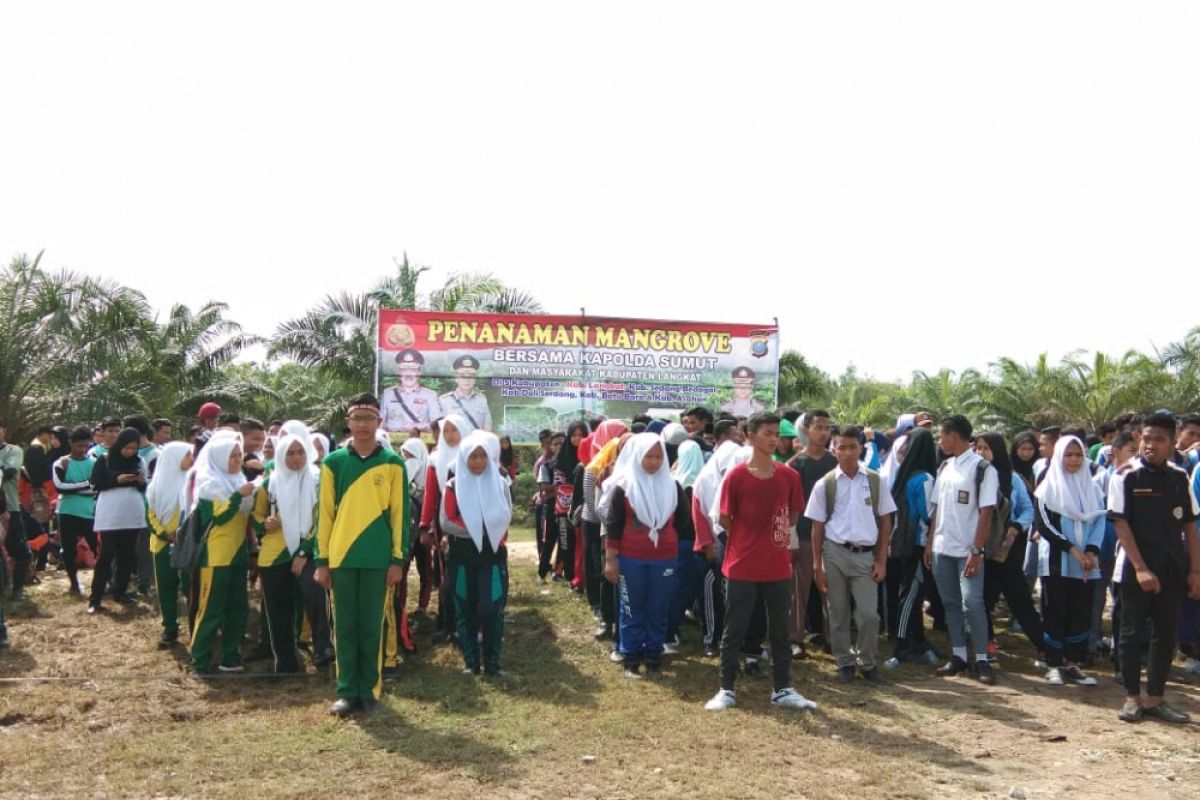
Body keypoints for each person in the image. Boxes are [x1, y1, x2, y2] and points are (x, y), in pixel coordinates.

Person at [704, 412, 814, 712]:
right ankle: (726, 688)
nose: (774, 438)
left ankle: (782, 688)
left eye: (776, 433)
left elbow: (792, 516)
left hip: (777, 566)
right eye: (767, 433)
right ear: (750, 436)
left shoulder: (789, 476)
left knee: (779, 629)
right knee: (734, 628)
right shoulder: (736, 476)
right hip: (742, 565)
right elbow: (724, 518)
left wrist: (780, 545)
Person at [314, 394, 409, 717]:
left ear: (379, 423)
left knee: (371, 627)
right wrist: (321, 560)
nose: (363, 425)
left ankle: (369, 690)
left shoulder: (394, 464)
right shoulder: (333, 463)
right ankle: (346, 691)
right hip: (340, 558)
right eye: (358, 418)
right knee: (344, 627)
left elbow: (399, 515)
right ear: (348, 423)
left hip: (377, 558)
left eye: (370, 418)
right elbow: (324, 515)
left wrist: (397, 560)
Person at [1109, 413, 1200, 723]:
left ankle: (1156, 699)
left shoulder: (1179, 477)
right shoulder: (1125, 476)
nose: (1150, 445)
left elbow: (1189, 526)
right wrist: (1140, 568)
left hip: (1173, 569)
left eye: (1159, 440)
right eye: (1146, 439)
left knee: (1165, 635)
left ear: (1172, 443)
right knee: (1131, 633)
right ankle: (1132, 697)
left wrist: (1195, 571)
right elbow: (1121, 525)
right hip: (1136, 569)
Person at [806, 426, 896, 682]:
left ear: (861, 448)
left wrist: (881, 560)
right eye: (841, 447)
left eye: (852, 447)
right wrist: (817, 566)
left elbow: (886, 522)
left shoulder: (876, 481)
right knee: (838, 612)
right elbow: (817, 527)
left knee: (869, 614)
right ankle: (844, 661)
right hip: (834, 552)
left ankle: (867, 662)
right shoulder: (825, 484)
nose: (847, 453)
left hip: (866, 556)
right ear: (833, 450)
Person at [602, 431, 693, 677]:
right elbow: (613, 526)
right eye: (648, 456)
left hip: (664, 558)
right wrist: (610, 560)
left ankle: (653, 657)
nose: (653, 462)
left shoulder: (673, 487)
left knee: (658, 608)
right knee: (632, 608)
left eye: (658, 456)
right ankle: (631, 658)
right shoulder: (624, 487)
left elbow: (685, 524)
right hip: (631, 559)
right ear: (636, 457)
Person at [924, 414, 999, 685]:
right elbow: (937, 510)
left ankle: (982, 659)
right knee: (951, 604)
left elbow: (986, 511)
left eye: (942, 435)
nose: (940, 441)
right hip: (943, 548)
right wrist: (931, 542)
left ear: (953, 435)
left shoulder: (983, 469)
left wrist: (976, 550)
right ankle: (958, 656)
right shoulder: (945, 467)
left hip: (968, 550)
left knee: (973, 603)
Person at [252, 430, 331, 674]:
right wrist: (264, 524)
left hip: (308, 550)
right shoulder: (270, 483)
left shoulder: (319, 481)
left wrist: (304, 552)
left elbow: (323, 520)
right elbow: (256, 516)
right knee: (278, 610)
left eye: (300, 452)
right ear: (280, 456)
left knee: (316, 599)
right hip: (275, 553)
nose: (296, 458)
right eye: (290, 453)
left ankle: (323, 652)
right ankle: (285, 663)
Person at [1033, 435, 1105, 686]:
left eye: (1078, 455)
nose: (1074, 460)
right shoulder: (1048, 487)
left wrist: (1091, 552)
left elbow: (1099, 521)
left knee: (1080, 612)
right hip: (1057, 560)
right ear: (1059, 456)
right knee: (1055, 609)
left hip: (1086, 562)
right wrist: (1073, 550)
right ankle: (1053, 663)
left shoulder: (1093, 488)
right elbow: (1045, 525)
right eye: (1068, 455)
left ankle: (1073, 663)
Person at [443, 430, 512, 676]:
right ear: (463, 459)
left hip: (492, 557)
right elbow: (447, 521)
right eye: (473, 457)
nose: (478, 462)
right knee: (465, 608)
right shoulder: (453, 486)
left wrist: (485, 528)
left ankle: (493, 664)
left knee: (492, 610)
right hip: (462, 557)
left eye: (483, 456)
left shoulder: (500, 483)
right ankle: (472, 663)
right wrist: (479, 528)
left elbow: (506, 516)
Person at [187, 430, 256, 674]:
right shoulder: (209, 484)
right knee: (211, 609)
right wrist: (239, 496)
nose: (237, 460)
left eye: (239, 456)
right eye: (232, 456)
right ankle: (200, 660)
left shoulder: (237, 480)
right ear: (218, 458)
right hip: (216, 557)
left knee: (238, 608)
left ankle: (230, 655)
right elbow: (220, 516)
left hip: (238, 554)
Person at [975, 432, 1045, 663]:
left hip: (1006, 550)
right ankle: (986, 644)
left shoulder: (1011, 478)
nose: (981, 453)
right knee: (982, 599)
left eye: (986, 448)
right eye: (978, 448)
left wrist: (1016, 527)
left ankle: (1043, 645)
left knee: (1020, 598)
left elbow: (1028, 509)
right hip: (979, 548)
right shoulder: (972, 475)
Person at [883, 427, 939, 667]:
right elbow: (929, 514)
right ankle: (902, 646)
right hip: (919, 544)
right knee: (910, 596)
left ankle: (918, 641)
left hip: (902, 544)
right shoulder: (925, 479)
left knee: (910, 594)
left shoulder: (904, 476)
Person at [785, 410, 837, 658]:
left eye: (827, 428)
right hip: (804, 536)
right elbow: (788, 508)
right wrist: (791, 539)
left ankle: (833, 638)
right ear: (806, 430)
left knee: (832, 590)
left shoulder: (835, 463)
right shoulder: (795, 465)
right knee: (799, 590)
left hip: (833, 536)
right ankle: (795, 639)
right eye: (819, 427)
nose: (824, 433)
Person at [87, 428, 149, 614]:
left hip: (132, 512)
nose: (130, 452)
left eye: (133, 448)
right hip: (110, 512)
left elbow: (144, 486)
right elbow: (95, 484)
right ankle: (95, 598)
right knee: (106, 554)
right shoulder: (105, 460)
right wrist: (116, 480)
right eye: (126, 448)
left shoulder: (140, 461)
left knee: (127, 554)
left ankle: (120, 592)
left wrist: (139, 481)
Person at [145, 441, 193, 647]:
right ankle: (170, 628)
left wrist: (183, 533)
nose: (192, 460)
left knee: (191, 587)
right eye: (187, 455)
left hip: (188, 544)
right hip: (162, 544)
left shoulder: (192, 483)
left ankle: (195, 626)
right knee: (166, 587)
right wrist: (165, 534)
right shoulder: (155, 486)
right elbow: (150, 515)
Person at [53, 426, 99, 597]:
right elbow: (59, 487)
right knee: (68, 549)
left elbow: (96, 487)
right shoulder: (61, 463)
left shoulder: (93, 463)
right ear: (70, 443)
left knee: (98, 547)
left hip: (89, 512)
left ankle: (103, 581)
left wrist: (73, 487)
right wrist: (85, 484)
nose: (82, 449)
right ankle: (74, 583)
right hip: (66, 512)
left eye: (85, 446)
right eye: (79, 445)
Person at [381, 349, 443, 433]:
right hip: (392, 443)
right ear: (399, 372)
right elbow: (380, 424)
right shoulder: (387, 395)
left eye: (413, 369)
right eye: (404, 369)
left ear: (419, 372)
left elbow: (437, 425)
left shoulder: (430, 395)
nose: (408, 374)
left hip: (420, 442)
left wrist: (420, 426)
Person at [439, 355, 493, 431]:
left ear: (475, 379)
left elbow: (487, 425)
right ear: (456, 378)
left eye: (470, 376)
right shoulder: (444, 400)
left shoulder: (482, 399)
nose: (467, 380)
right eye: (463, 376)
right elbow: (440, 429)